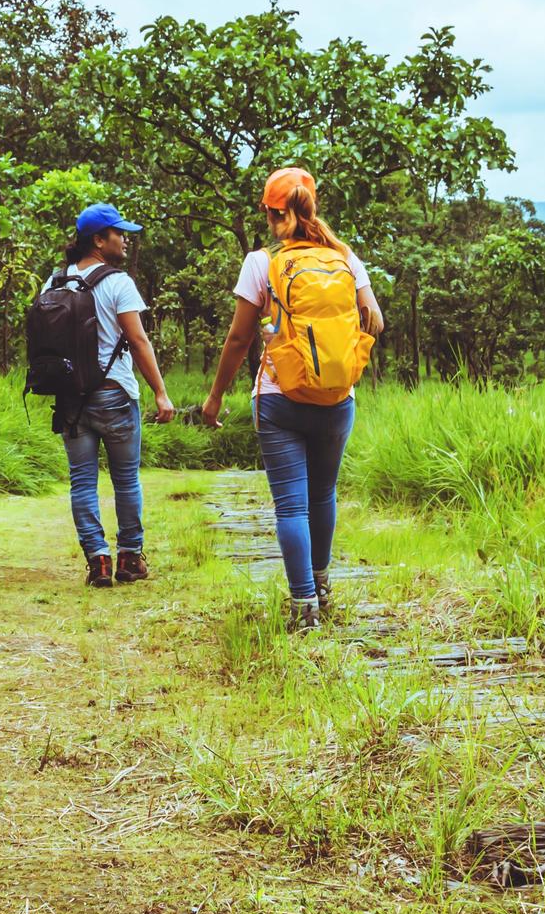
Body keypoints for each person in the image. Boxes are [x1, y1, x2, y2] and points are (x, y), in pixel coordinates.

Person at [198, 168, 386, 629]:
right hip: (338, 399)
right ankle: (322, 586)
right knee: (323, 494)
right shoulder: (345, 257)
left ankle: (304, 606)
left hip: (279, 398)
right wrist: (338, 353)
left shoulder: (261, 262)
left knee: (291, 506)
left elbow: (239, 339)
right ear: (311, 206)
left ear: (270, 212)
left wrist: (216, 396)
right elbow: (375, 320)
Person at [49, 202, 176, 587]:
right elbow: (138, 341)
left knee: (82, 481)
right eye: (118, 234)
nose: (124, 239)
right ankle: (129, 559)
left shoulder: (54, 283)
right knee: (125, 479)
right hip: (115, 394)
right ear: (98, 240)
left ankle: (98, 561)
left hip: (71, 400)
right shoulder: (118, 282)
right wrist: (161, 393)